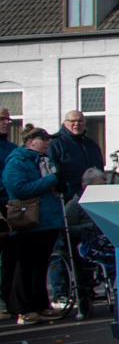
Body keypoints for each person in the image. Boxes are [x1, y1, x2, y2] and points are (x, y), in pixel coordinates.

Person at [4, 128, 67, 325]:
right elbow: (18, 189)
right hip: (28, 221)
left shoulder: (46, 161)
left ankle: (40, 306)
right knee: (26, 266)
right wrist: (51, 179)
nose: (48, 142)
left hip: (48, 220)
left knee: (40, 267)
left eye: (49, 139)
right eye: (44, 139)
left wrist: (61, 184)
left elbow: (58, 186)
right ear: (30, 141)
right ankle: (23, 310)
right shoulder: (17, 161)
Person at [49, 110, 104, 199]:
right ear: (65, 123)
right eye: (73, 121)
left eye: (80, 121)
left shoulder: (91, 144)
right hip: (68, 194)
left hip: (92, 193)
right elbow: (50, 169)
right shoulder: (55, 143)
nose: (77, 124)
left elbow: (99, 168)